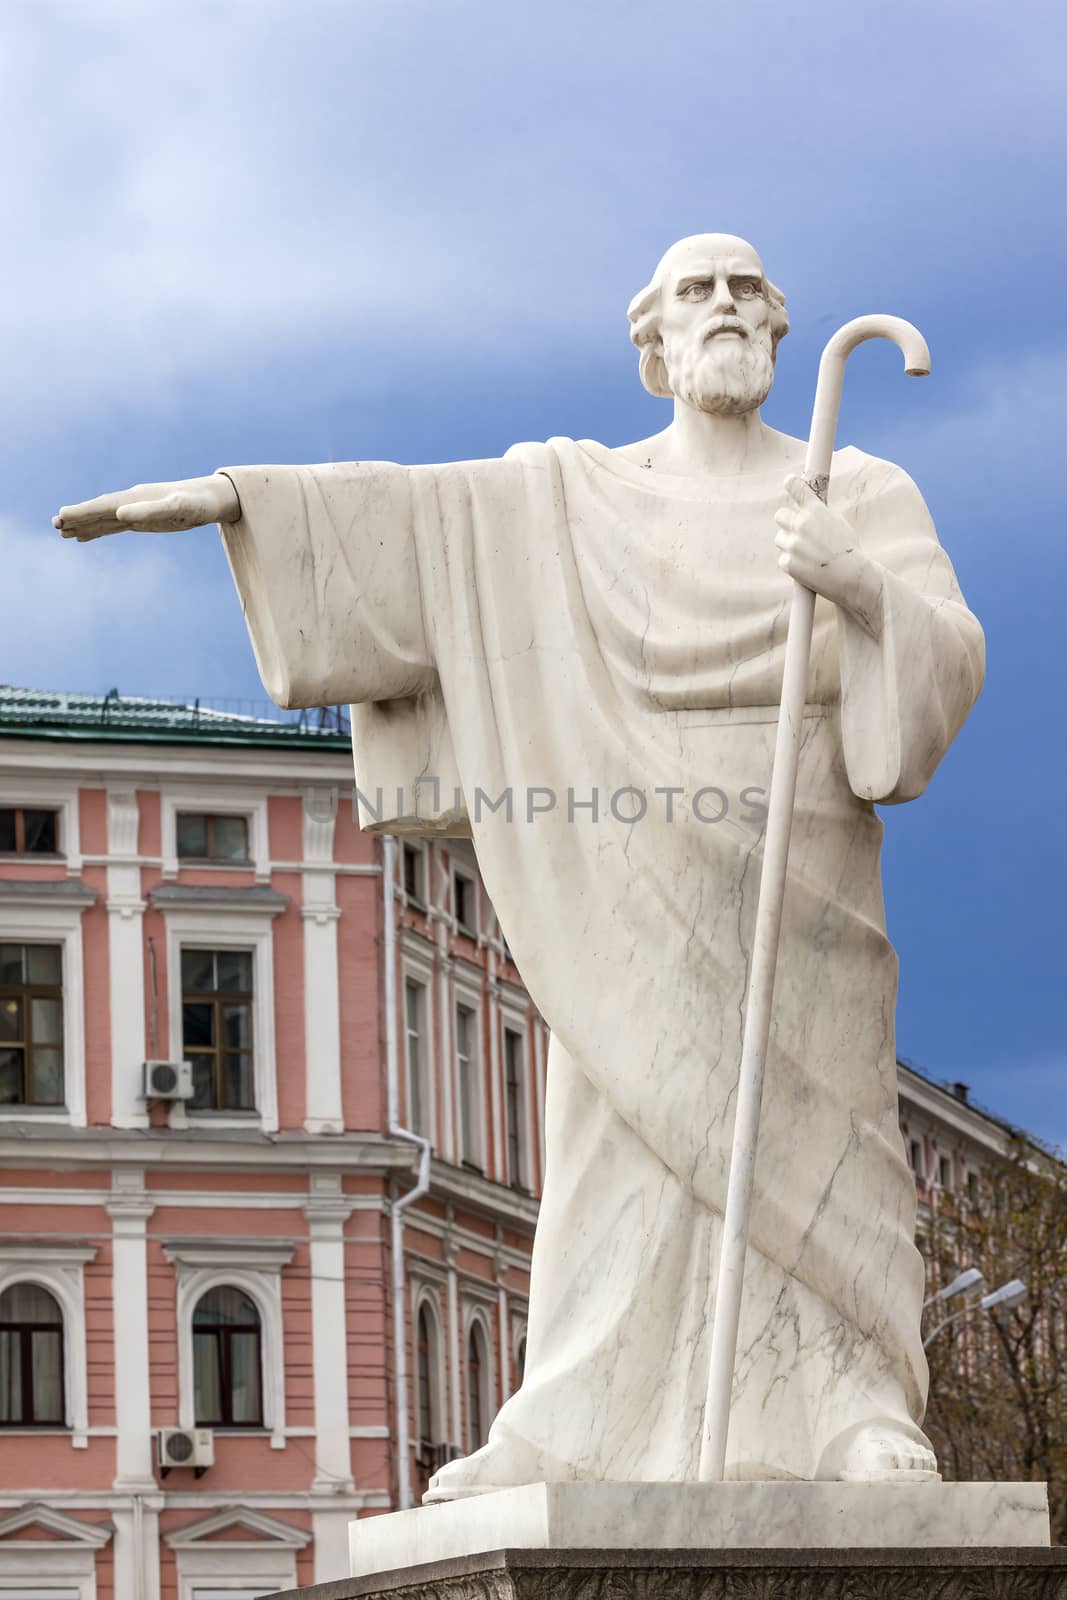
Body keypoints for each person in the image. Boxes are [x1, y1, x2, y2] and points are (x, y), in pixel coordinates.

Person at [55, 234, 984, 1490]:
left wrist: (856, 587)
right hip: (615, 850)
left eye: (743, 290)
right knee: (622, 1141)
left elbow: (944, 660)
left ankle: (851, 1411)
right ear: (651, 343)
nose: (721, 307)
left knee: (822, 1141)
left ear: (776, 326)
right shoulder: (576, 494)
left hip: (800, 843)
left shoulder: (857, 489)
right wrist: (235, 499)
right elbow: (422, 522)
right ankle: (578, 1422)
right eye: (692, 292)